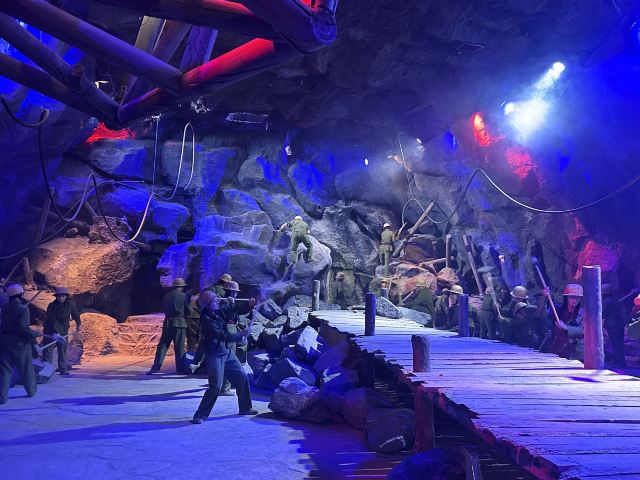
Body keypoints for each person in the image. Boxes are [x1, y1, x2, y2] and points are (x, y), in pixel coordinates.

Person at [192, 290, 257, 423]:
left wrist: (249, 305)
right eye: (214, 300)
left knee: (241, 376)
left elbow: (232, 308)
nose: (218, 301)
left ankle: (245, 407)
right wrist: (241, 335)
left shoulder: (218, 311)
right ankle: (200, 415)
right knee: (216, 386)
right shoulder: (207, 322)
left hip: (226, 351)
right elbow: (223, 336)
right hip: (214, 355)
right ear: (208, 305)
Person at [0, 284, 39, 404]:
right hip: (20, 344)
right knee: (26, 369)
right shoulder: (23, 309)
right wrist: (34, 334)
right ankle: (31, 391)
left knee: (4, 370)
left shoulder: (4, 308)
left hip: (4, 342)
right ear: (21, 295)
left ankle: (2, 398)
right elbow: (23, 327)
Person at [147, 278, 190, 375]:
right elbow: (188, 310)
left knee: (163, 345)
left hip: (167, 323)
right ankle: (180, 369)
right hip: (179, 323)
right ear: (182, 287)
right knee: (179, 347)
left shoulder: (167, 296)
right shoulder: (183, 296)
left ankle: (156, 367)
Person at [42, 287, 80, 375]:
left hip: (63, 330)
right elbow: (51, 320)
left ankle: (62, 369)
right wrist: (55, 332)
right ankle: (46, 371)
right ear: (56, 296)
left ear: (66, 296)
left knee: (62, 350)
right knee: (47, 351)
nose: (61, 298)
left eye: (63, 296)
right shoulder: (52, 306)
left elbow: (76, 314)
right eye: (59, 296)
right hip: (50, 330)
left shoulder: (70, 304)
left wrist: (78, 324)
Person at [547, 283, 584, 361]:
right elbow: (544, 315)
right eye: (572, 297)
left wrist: (566, 328)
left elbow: (583, 330)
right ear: (566, 297)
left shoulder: (583, 313)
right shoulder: (559, 311)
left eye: (577, 298)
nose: (575, 300)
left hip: (575, 352)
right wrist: (545, 298)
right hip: (558, 350)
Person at [602, 284, 627, 368]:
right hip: (620, 325)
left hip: (613, 326)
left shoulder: (606, 302)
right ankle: (619, 361)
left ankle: (620, 363)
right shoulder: (615, 300)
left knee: (616, 344)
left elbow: (603, 314)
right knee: (619, 344)